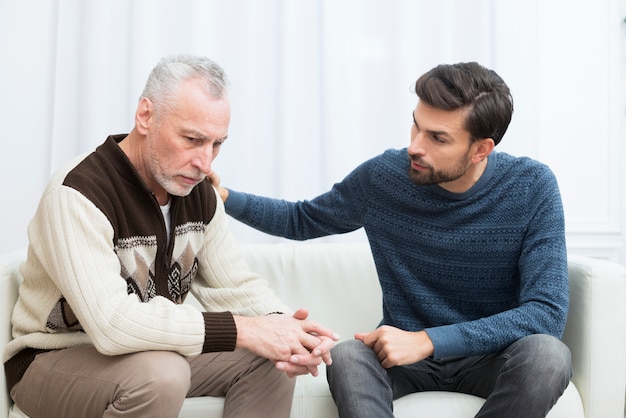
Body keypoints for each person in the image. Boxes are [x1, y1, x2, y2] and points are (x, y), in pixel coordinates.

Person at [210, 62, 572, 418]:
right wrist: (223, 196)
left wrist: (429, 340)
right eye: (416, 126)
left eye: (437, 138)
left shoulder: (531, 187)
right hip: (403, 361)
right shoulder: (384, 178)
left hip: (491, 357)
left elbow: (546, 313)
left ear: (480, 149)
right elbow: (302, 219)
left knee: (548, 356)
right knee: (350, 356)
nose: (415, 146)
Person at [3, 54, 338, 418]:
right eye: (192, 139)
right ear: (146, 116)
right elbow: (112, 324)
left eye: (217, 144)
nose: (206, 163)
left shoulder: (198, 194)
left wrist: (289, 331)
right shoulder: (79, 194)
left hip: (150, 354)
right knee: (162, 374)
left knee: (266, 360)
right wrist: (245, 330)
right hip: (52, 359)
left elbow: (237, 286)